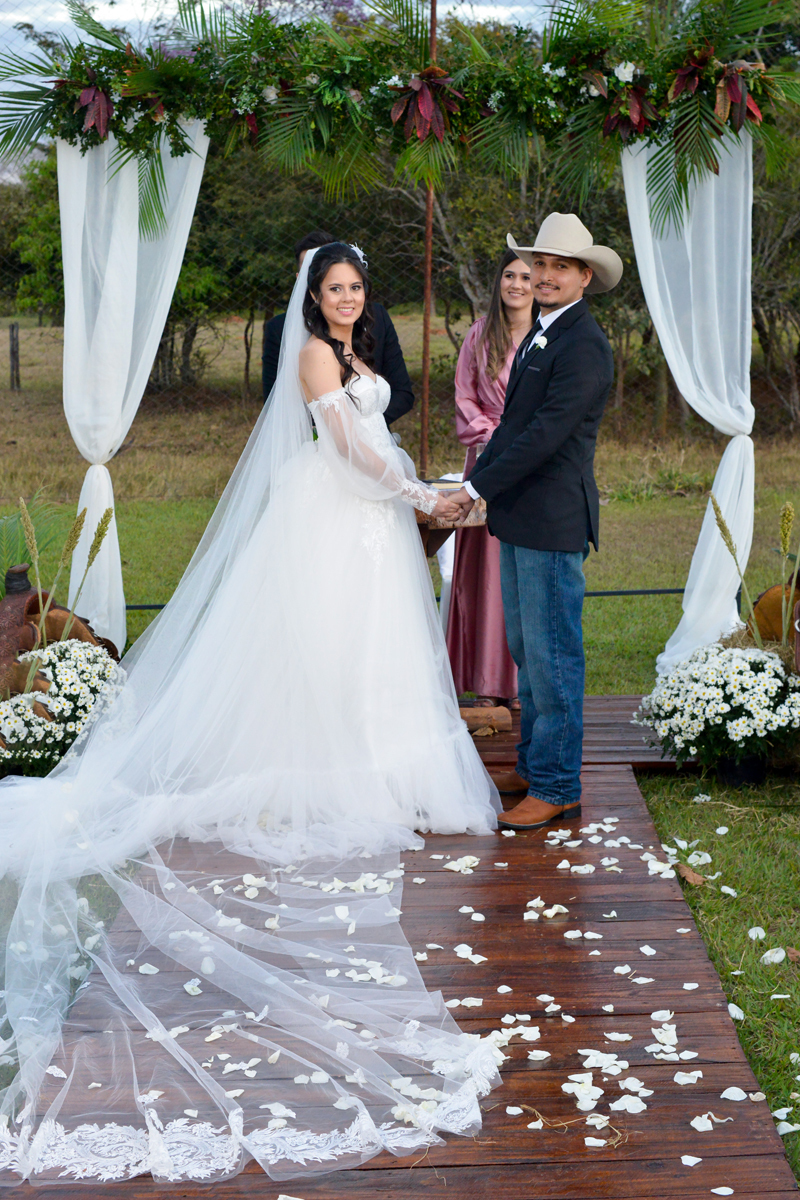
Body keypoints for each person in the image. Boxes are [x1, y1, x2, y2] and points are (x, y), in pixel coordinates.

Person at [0, 245, 501, 1185]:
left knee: (376, 658)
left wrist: (411, 485)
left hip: (370, 521)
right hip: (331, 517)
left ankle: (381, 764)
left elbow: (374, 434)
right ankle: (326, 768)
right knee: (321, 653)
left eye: (357, 290)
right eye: (336, 290)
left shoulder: (360, 357)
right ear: (314, 298)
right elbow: (349, 447)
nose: (348, 302)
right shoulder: (315, 356)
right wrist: (414, 493)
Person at [449, 213, 622, 831]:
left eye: (559, 267)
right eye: (539, 264)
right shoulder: (541, 334)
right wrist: (472, 487)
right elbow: (511, 429)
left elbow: (544, 437)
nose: (545, 276)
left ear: (583, 277)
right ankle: (531, 765)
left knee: (553, 657)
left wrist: (474, 487)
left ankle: (557, 786)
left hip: (552, 521)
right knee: (526, 650)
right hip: (519, 519)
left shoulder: (584, 345)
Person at [446, 249, 535, 705]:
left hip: (535, 464)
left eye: (526, 275)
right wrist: (495, 439)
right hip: (485, 460)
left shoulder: (545, 337)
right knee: (486, 576)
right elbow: (465, 399)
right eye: (509, 275)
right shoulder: (480, 335)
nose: (516, 284)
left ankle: (522, 682)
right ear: (498, 281)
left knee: (524, 573)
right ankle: (487, 684)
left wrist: (522, 444)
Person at [262, 229, 415, 429]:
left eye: (355, 287)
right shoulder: (280, 330)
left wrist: (371, 431)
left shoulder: (374, 318)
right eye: (334, 287)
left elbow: (403, 392)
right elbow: (275, 402)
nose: (347, 297)